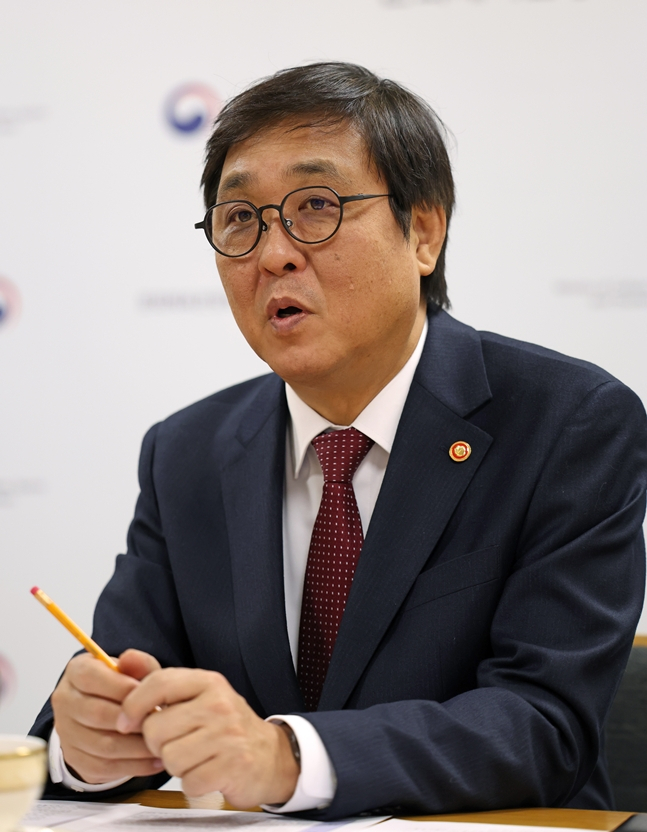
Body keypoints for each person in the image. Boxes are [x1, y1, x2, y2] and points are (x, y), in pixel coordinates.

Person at [31, 62, 647, 819]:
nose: (273, 254)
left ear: (423, 232)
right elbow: (119, 681)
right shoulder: (186, 453)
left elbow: (544, 725)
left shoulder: (567, 423)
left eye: (316, 206)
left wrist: (288, 759)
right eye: (240, 218)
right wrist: (84, 745)